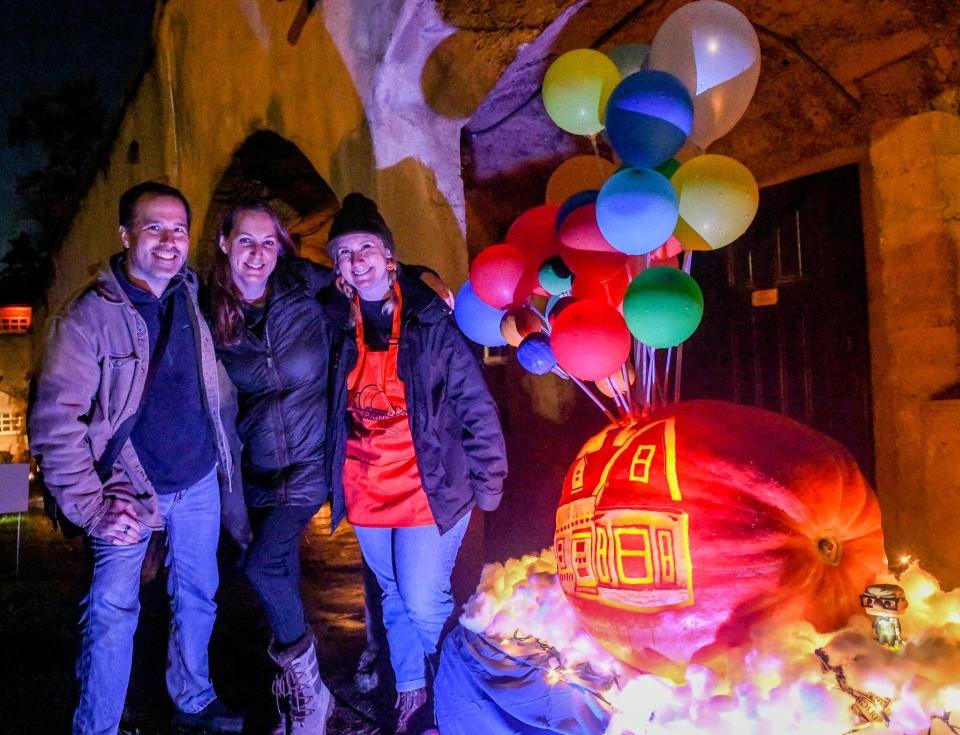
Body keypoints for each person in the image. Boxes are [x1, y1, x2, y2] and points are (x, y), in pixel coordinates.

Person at [29, 181, 243, 734]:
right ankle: (96, 725)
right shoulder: (86, 318)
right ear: (125, 235)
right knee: (111, 616)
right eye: (154, 227)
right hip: (127, 494)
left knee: (198, 599)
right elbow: (55, 425)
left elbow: (276, 277)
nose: (170, 240)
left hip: (196, 482)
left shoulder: (191, 293)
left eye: (178, 228)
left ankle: (193, 698)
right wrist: (93, 508)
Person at [323, 194, 507, 734]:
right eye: (345, 253)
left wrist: (489, 481)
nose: (357, 261)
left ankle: (467, 696)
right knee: (392, 595)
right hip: (365, 486)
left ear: (388, 256)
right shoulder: (336, 322)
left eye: (367, 249)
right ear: (338, 268)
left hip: (430, 487)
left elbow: (475, 403)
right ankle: (410, 692)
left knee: (426, 599)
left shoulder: (430, 319)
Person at [208, 200, 337, 734]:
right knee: (276, 571)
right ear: (224, 243)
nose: (258, 254)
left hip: (309, 463)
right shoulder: (208, 305)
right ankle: (302, 697)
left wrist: (420, 280)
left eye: (268, 243)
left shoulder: (302, 283)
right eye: (246, 241)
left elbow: (365, 282)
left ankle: (311, 694)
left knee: (261, 568)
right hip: (257, 467)